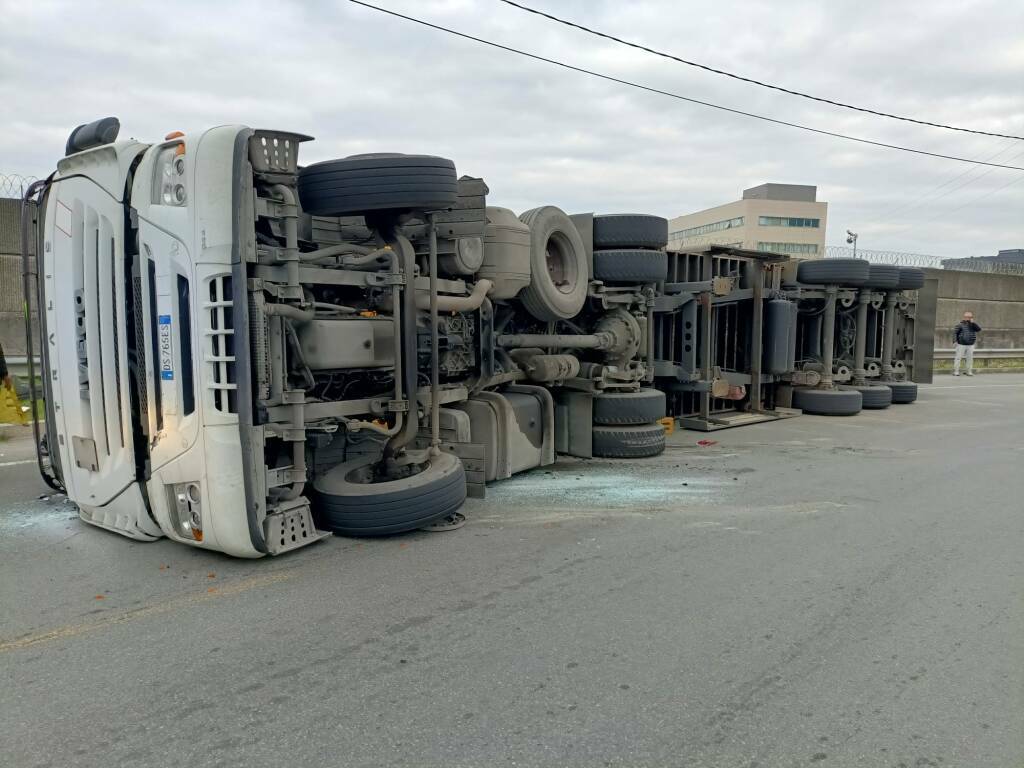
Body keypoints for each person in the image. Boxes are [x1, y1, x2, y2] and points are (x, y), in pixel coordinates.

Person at [953, 311, 981, 376]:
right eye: (967, 317)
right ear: (964, 317)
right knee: (958, 358)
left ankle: (968, 371)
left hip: (970, 344)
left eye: (970, 317)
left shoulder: (973, 325)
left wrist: (973, 323)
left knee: (969, 358)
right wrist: (954, 341)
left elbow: (979, 329)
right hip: (961, 344)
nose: (968, 318)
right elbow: (955, 333)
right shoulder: (959, 325)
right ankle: (956, 371)